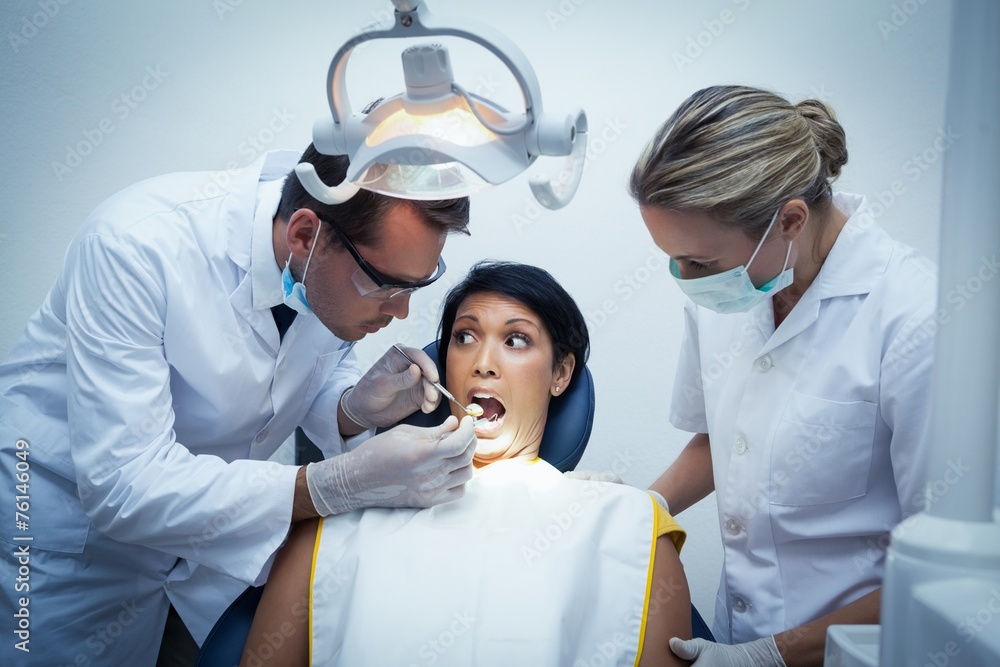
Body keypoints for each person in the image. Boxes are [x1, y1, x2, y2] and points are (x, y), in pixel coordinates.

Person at [0, 144, 480, 665]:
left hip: (200, 545)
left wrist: (352, 407)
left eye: (418, 284)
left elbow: (300, 372)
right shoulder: (134, 246)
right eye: (387, 284)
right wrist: (334, 484)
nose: (402, 309)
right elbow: (124, 484)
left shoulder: (322, 262)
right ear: (304, 234)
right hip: (65, 539)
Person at [239, 261, 693, 666]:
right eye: (465, 337)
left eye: (516, 340)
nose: (483, 363)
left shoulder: (629, 524)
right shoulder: (336, 518)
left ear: (561, 374)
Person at [629, 85, 936, 666]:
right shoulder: (730, 288)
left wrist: (766, 657)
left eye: (698, 262)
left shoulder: (917, 317)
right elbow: (722, 441)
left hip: (859, 650)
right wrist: (634, 512)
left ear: (790, 220)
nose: (684, 278)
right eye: (671, 258)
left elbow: (942, 570)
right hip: (735, 631)